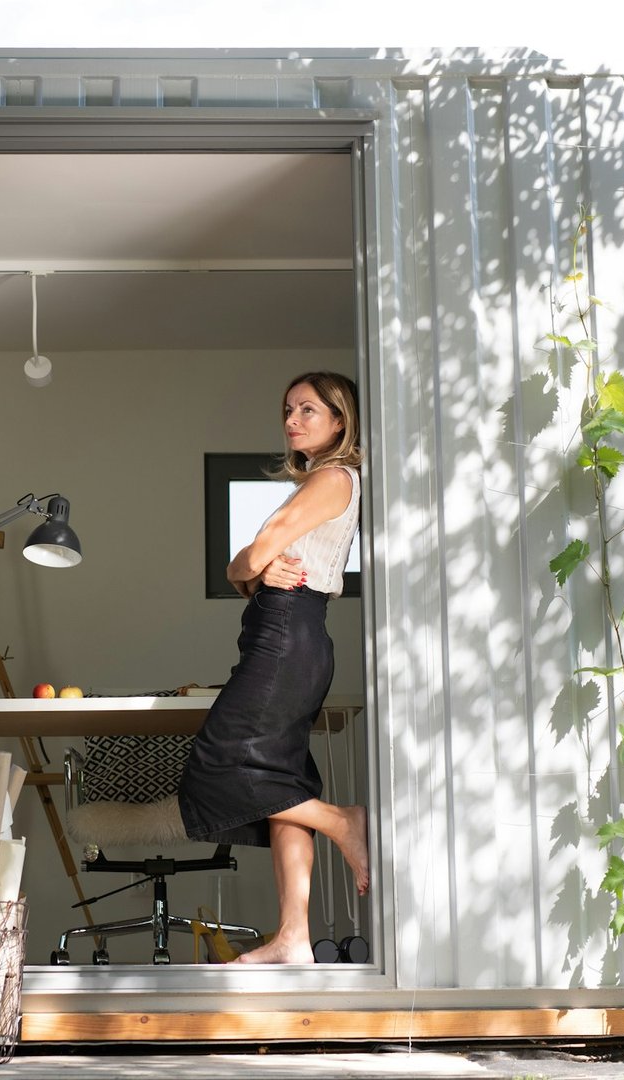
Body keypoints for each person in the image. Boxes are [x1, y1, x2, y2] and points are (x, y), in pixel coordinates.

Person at [177, 370, 370, 965]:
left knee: (215, 772)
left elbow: (253, 551)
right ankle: (291, 938)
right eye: (288, 409)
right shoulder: (321, 482)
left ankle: (342, 821)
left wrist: (253, 567)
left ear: (340, 420)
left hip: (287, 633)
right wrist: (252, 570)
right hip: (293, 633)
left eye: (308, 410)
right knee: (280, 783)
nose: (292, 420)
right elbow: (242, 565)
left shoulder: (334, 477)